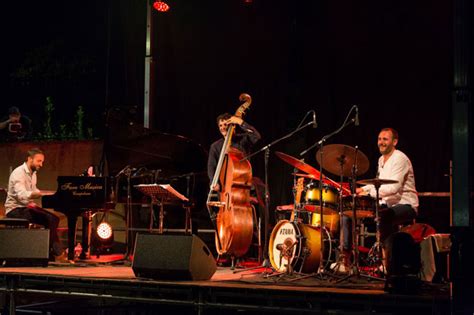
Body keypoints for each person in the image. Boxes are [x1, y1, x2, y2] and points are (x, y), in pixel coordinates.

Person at [342, 128, 419, 264]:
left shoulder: (400, 158)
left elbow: (393, 188)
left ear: (394, 142)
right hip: (386, 204)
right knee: (347, 212)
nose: (381, 142)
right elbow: (379, 183)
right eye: (379, 139)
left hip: (406, 205)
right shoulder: (381, 160)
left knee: (384, 217)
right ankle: (345, 260)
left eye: (385, 139)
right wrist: (362, 189)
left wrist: (368, 193)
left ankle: (386, 263)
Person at [4, 148, 66, 261]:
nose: (41, 164)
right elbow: (21, 195)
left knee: (54, 218)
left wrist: (47, 194)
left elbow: (33, 191)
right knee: (50, 219)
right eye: (39, 161)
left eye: (42, 161)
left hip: (25, 207)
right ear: (30, 159)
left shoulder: (33, 174)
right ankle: (55, 253)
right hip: (15, 210)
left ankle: (52, 253)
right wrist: (38, 194)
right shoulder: (18, 173)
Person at [207, 113, 262, 184]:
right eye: (220, 125)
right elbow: (211, 166)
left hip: (243, 182)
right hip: (223, 186)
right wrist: (213, 182)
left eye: (225, 124)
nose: (223, 127)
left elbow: (256, 136)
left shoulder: (243, 139)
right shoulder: (215, 146)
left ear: (233, 125)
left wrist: (240, 122)